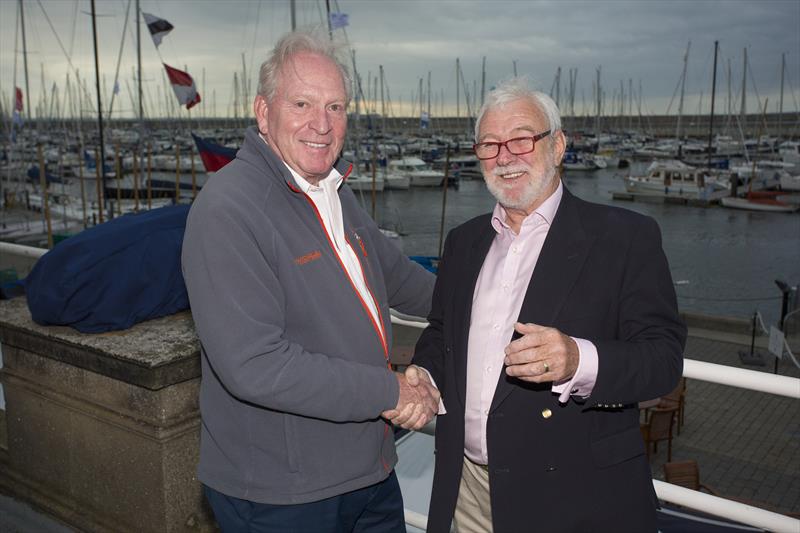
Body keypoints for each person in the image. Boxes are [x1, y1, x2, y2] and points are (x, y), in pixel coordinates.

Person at [181, 29, 437, 532]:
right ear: (263, 112)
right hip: (283, 494)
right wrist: (391, 393)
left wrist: (498, 295)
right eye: (302, 103)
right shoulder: (227, 209)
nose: (322, 124)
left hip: (369, 471)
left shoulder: (335, 193)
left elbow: (405, 281)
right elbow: (256, 365)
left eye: (336, 107)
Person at [407, 77, 687, 532]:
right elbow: (442, 333)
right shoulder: (464, 242)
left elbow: (663, 359)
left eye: (521, 139)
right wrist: (426, 373)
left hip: (575, 496)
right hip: (468, 489)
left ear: (557, 146)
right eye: (490, 144)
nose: (505, 157)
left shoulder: (625, 237)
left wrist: (579, 359)